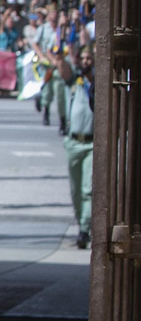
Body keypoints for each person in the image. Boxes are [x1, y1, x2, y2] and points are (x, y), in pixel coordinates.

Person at [58, 43, 96, 249]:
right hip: (74, 142)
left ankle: (84, 228)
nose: (86, 62)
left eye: (90, 59)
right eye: (84, 59)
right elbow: (62, 70)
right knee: (75, 190)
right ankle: (81, 220)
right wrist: (60, 51)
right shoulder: (74, 81)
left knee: (87, 189)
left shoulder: (97, 82)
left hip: (91, 143)